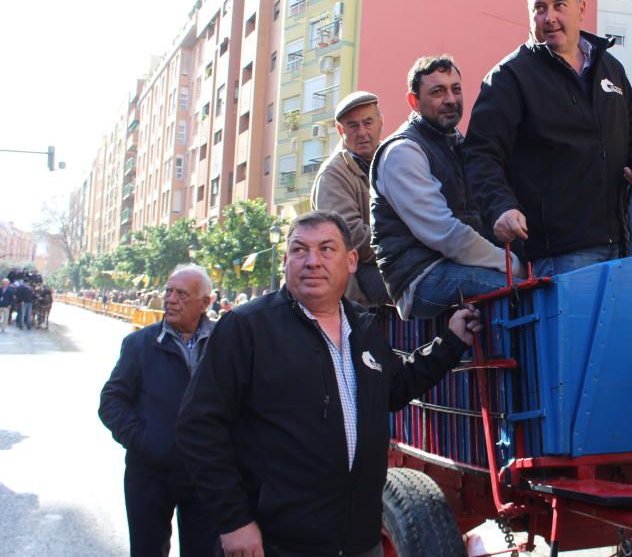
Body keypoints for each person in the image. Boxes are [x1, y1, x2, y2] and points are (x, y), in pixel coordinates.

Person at [176, 211, 480, 557]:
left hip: (360, 543)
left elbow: (395, 387)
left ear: (351, 260)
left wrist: (452, 342)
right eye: (299, 250)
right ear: (286, 260)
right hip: (277, 544)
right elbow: (198, 427)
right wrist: (234, 522)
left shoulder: (363, 328)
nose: (312, 262)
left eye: (326, 249)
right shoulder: (246, 327)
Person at [464, 0, 632, 276]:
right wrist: (500, 207)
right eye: (539, 8)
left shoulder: (610, 68)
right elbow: (479, 154)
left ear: (581, 9)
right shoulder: (510, 77)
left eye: (559, 6)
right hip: (558, 254)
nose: (549, 17)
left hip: (621, 243)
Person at [370, 55, 523, 319]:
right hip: (420, 276)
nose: (451, 99)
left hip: (452, 263)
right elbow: (444, 233)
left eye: (456, 89)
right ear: (414, 101)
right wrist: (509, 263)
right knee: (527, 292)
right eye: (438, 91)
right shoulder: (403, 152)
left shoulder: (455, 143)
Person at [98, 264, 217, 557]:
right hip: (150, 474)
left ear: (205, 303)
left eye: (181, 294)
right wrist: (145, 441)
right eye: (168, 291)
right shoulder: (140, 344)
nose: (170, 300)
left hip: (207, 474)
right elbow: (111, 401)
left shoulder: (224, 342)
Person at [311, 90, 389, 307]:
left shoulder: (393, 159)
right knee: (424, 286)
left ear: (381, 123)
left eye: (368, 122)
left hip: (389, 261)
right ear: (340, 130)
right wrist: (403, 244)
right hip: (358, 284)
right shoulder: (333, 174)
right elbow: (351, 239)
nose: (362, 132)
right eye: (353, 125)